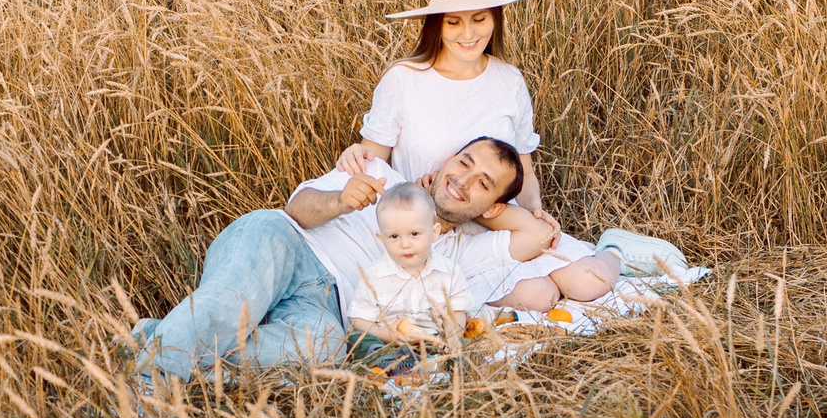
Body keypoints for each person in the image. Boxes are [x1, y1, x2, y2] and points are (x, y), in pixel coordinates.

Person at [131, 138, 558, 384]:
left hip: (326, 309)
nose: (461, 180)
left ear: (494, 206)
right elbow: (297, 209)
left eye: (483, 183)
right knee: (230, 306)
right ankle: (147, 384)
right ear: (446, 160)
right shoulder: (380, 172)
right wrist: (340, 200)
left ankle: (160, 338)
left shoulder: (463, 250)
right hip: (285, 244)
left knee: (324, 351)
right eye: (463, 163)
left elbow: (538, 235)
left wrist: (488, 210)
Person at [336, 0, 621, 312]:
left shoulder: (509, 80)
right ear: (436, 25)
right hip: (434, 229)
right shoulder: (404, 79)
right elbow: (372, 166)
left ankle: (615, 249)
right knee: (540, 295)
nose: (468, 34)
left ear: (495, 19)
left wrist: (534, 209)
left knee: (590, 282)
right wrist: (354, 157)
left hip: (498, 219)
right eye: (454, 22)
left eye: (479, 19)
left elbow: (524, 169)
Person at [349, 182, 477, 348]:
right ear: (382, 239)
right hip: (390, 343)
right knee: (357, 339)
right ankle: (386, 360)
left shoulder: (449, 272)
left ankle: (446, 357)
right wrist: (384, 334)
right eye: (394, 236)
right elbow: (358, 318)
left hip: (435, 340)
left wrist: (452, 338)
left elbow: (456, 312)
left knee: (466, 341)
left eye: (414, 234)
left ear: (434, 233)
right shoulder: (374, 276)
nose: (405, 244)